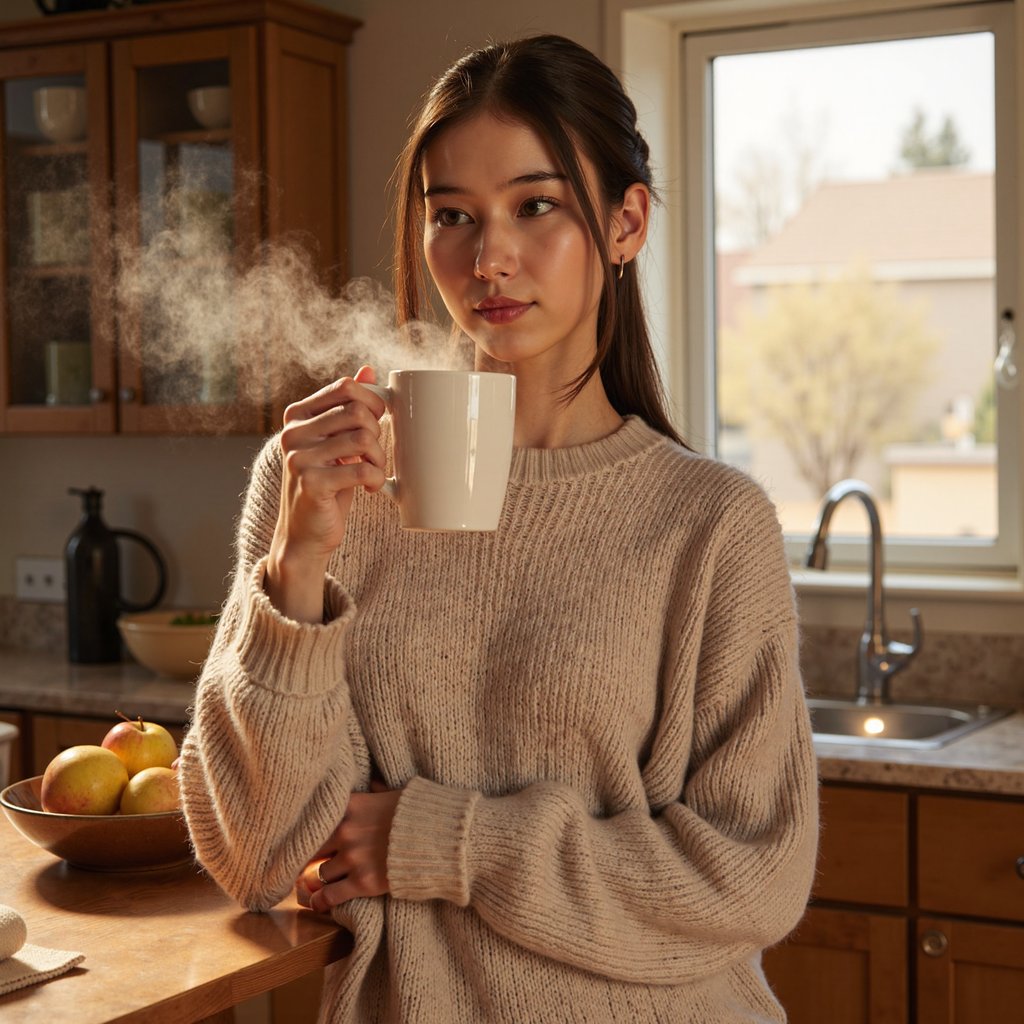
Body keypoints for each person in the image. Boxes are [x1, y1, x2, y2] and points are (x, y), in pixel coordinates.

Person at [180, 33, 819, 1024]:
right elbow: (255, 856)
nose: (489, 257)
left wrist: (440, 841)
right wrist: (297, 564)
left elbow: (752, 877)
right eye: (452, 216)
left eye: (536, 205)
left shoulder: (709, 525)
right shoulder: (321, 486)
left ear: (625, 222)